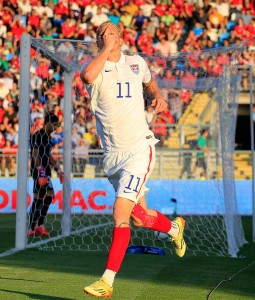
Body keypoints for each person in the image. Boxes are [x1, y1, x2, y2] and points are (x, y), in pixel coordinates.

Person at [80, 21, 186, 298]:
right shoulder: (97, 67)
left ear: (122, 36)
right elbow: (87, 77)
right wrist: (105, 50)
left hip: (139, 149)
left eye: (112, 31)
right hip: (113, 156)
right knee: (139, 218)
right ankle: (174, 228)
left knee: (120, 213)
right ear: (98, 42)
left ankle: (107, 281)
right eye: (102, 34)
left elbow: (150, 84)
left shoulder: (137, 62)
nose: (107, 35)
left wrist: (159, 98)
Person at [27, 114, 64, 237]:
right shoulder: (38, 135)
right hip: (39, 171)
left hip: (45, 170)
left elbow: (47, 156)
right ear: (47, 123)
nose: (55, 128)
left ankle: (35, 226)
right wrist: (40, 170)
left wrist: (58, 169)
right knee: (46, 195)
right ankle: (35, 226)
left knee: (42, 196)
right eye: (54, 125)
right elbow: (35, 153)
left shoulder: (48, 138)